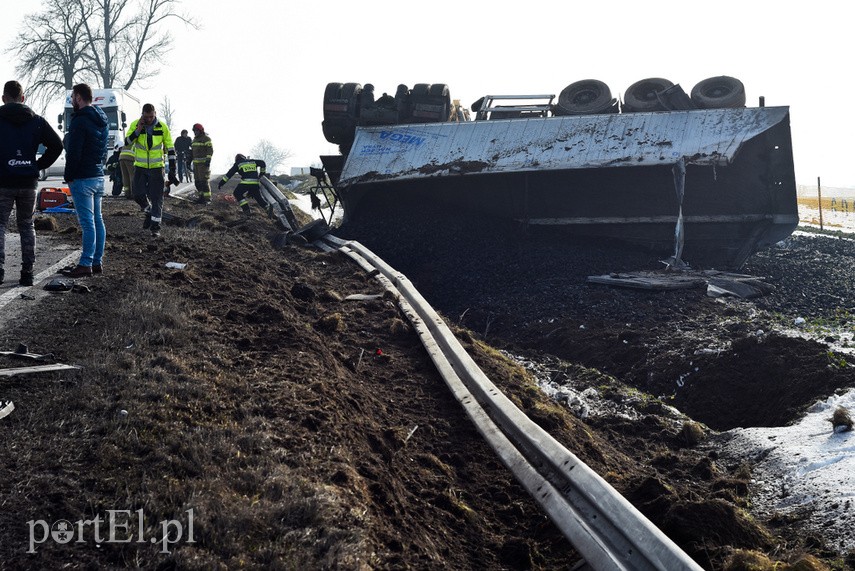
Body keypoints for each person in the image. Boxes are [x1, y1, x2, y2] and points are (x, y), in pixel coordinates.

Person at [0, 80, 63, 286]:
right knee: (26, 225)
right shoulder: (37, 121)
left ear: (3, 98)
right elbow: (57, 145)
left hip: (4, 181)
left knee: (0, 225)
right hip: (28, 181)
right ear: (23, 98)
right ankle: (27, 272)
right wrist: (37, 165)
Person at [62, 83, 109, 278]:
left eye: (73, 96)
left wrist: (69, 176)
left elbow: (74, 152)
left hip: (83, 177)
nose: (72, 100)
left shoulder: (79, 121)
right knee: (97, 220)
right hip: (98, 175)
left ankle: (85, 263)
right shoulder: (102, 120)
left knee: (87, 222)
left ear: (79, 97)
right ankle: (96, 261)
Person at [125, 103, 178, 237]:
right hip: (140, 167)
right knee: (137, 194)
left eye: (151, 116)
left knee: (157, 198)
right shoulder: (135, 124)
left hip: (157, 168)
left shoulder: (162, 127)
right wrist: (138, 130)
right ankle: (148, 211)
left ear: (154, 114)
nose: (149, 119)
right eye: (146, 116)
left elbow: (170, 148)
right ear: (142, 114)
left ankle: (155, 227)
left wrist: (172, 168)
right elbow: (127, 143)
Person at [190, 124, 214, 204]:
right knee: (197, 182)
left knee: (204, 182)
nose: (195, 132)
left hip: (203, 165)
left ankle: (207, 199)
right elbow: (192, 152)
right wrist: (189, 160)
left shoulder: (206, 139)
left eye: (196, 131)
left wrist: (208, 160)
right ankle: (201, 197)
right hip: (196, 165)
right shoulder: (194, 140)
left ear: (200, 131)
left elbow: (210, 150)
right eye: (194, 131)